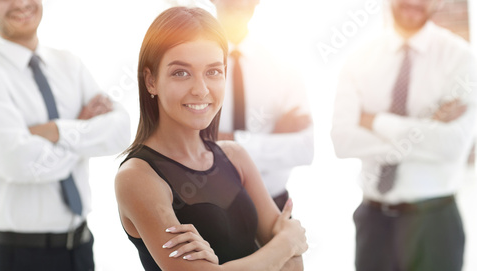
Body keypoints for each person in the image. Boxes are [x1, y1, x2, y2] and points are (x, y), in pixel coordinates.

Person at [115, 6, 307, 271]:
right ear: (150, 81)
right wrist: (285, 242)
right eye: (181, 72)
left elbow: (295, 266)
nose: (201, 89)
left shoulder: (234, 156)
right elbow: (290, 251)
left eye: (213, 71)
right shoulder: (137, 177)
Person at [0, 0, 130, 270]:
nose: (21, 3)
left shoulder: (69, 64)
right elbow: (21, 163)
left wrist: (56, 130)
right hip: (19, 256)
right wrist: (83, 127)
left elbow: (119, 131)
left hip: (81, 248)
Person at [331, 0, 476, 270]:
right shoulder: (359, 58)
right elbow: (342, 141)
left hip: (435, 226)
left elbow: (452, 146)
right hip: (374, 223)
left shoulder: (462, 59)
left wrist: (375, 121)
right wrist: (426, 127)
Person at [211, 0, 314, 211]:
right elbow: (182, 145)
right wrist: (273, 136)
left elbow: (304, 149)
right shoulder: (189, 62)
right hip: (210, 210)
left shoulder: (284, 64)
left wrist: (228, 140)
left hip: (274, 206)